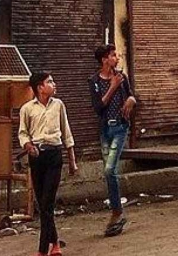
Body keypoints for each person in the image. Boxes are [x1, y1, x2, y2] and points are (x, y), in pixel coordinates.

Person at [18, 71, 77, 256]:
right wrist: (28, 145)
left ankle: (43, 250)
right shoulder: (27, 109)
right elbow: (22, 133)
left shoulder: (58, 105)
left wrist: (72, 161)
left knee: (47, 203)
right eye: (49, 82)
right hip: (37, 156)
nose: (54, 84)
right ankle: (56, 244)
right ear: (39, 88)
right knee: (43, 205)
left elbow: (66, 133)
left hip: (54, 155)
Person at [89, 45, 137, 237]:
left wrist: (131, 100)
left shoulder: (122, 77)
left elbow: (132, 95)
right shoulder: (93, 81)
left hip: (119, 128)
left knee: (110, 169)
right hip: (104, 130)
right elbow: (98, 107)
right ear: (104, 60)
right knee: (109, 173)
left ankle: (116, 211)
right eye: (113, 56)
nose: (116, 58)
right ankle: (117, 212)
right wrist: (112, 87)